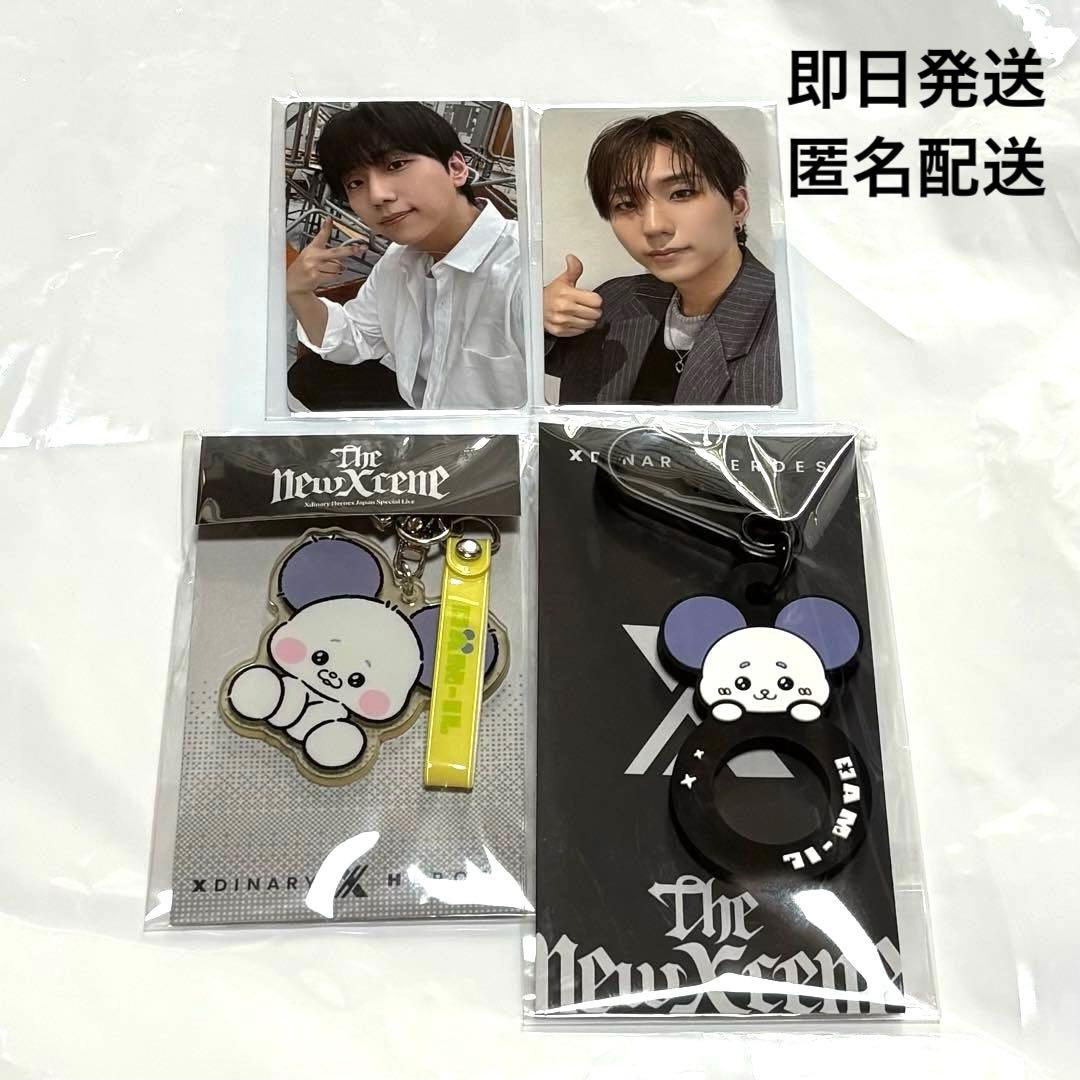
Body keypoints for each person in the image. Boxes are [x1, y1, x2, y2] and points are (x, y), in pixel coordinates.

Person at [287, 101, 525, 410]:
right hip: (420, 411)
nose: (377, 196)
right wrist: (299, 293)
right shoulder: (399, 259)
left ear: (456, 168)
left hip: (493, 438)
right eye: (356, 183)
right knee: (309, 375)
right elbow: (356, 337)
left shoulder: (524, 268)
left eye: (396, 165)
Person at [543, 111, 781, 406]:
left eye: (682, 193)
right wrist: (538, 314)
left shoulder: (790, 327)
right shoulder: (617, 300)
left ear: (737, 206)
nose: (653, 226)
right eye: (626, 204)